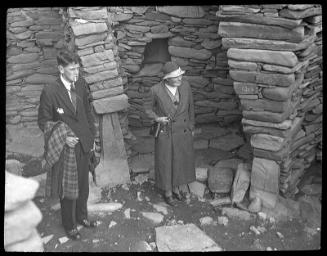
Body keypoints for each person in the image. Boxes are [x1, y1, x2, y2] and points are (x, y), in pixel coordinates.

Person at [38, 49, 97, 240]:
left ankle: (82, 217)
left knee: (83, 187)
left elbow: (87, 113)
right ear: (60, 69)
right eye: (72, 69)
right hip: (66, 148)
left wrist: (92, 138)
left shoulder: (81, 84)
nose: (76, 73)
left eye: (78, 68)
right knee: (68, 189)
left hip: (84, 145)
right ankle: (69, 225)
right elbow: (43, 121)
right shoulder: (50, 91)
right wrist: (63, 138)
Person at [145, 61, 196, 206]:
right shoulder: (155, 90)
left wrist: (191, 126)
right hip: (165, 132)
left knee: (179, 160)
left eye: (181, 75)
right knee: (166, 162)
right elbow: (147, 108)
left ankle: (176, 187)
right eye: (176, 77)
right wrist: (157, 118)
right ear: (166, 79)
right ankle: (167, 191)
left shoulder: (185, 86)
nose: (180, 79)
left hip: (183, 131)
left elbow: (191, 107)